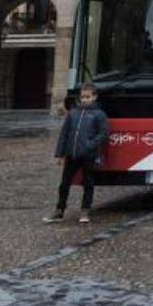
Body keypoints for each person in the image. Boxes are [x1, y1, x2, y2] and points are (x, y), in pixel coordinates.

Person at [44, 82, 109, 224]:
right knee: (64, 183)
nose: (85, 99)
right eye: (82, 97)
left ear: (94, 97)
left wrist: (89, 145)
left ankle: (85, 211)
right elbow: (64, 134)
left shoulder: (99, 114)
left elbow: (103, 133)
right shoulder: (73, 113)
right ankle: (59, 210)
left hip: (88, 155)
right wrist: (60, 154)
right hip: (72, 154)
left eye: (88, 97)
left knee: (88, 183)